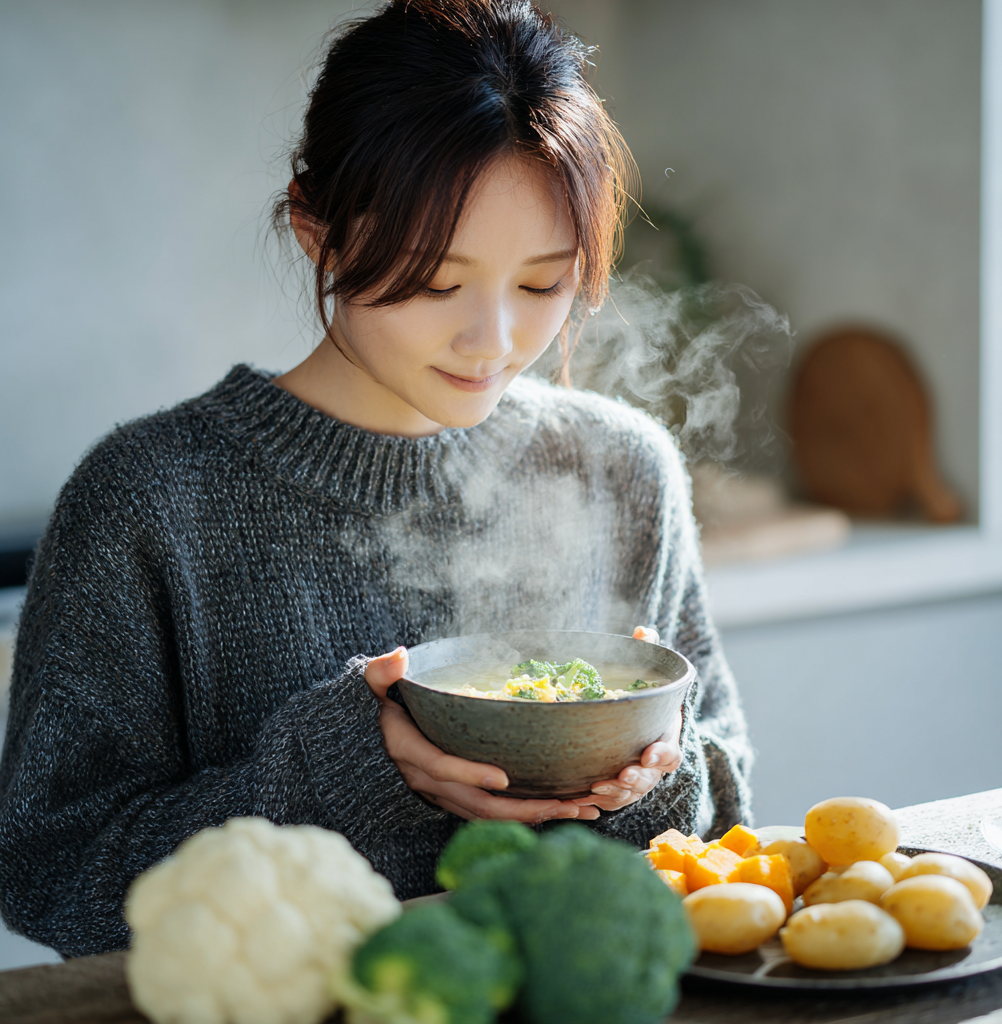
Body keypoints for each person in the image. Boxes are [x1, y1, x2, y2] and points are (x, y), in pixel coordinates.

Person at [0, 0, 752, 959]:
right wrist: (347, 770)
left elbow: (730, 814)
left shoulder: (621, 468)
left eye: (542, 284)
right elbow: (49, 873)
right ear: (317, 232)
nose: (496, 342)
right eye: (437, 281)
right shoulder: (151, 500)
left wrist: (655, 769)